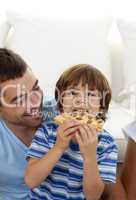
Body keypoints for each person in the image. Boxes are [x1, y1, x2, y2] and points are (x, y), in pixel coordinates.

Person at [25, 64, 118, 200]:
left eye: (90, 94)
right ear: (61, 103)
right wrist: (59, 147)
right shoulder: (47, 132)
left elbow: (93, 196)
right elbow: (31, 181)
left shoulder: (106, 144)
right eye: (73, 93)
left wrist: (90, 156)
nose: (80, 99)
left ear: (101, 108)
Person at [0, 48, 57, 200]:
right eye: (19, 100)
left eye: (36, 88)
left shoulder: (60, 113)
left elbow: (108, 181)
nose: (36, 102)